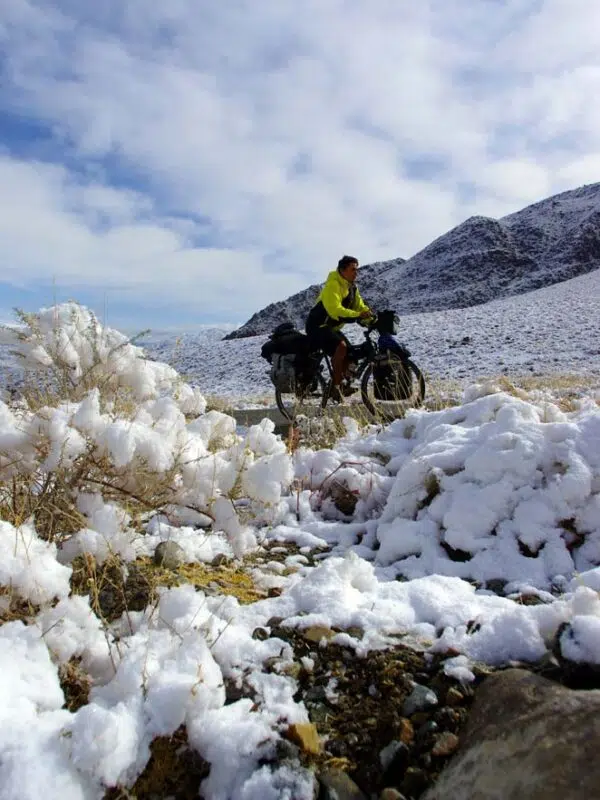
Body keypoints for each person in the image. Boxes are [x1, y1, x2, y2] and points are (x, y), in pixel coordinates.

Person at [305, 255, 374, 399]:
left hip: (331, 328)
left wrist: (372, 318)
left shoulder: (352, 288)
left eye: (357, 269)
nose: (356, 273)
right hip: (317, 326)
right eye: (353, 269)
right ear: (342, 270)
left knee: (351, 354)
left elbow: (360, 306)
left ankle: (340, 384)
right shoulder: (333, 285)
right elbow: (335, 310)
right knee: (341, 347)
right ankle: (337, 387)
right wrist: (358, 315)